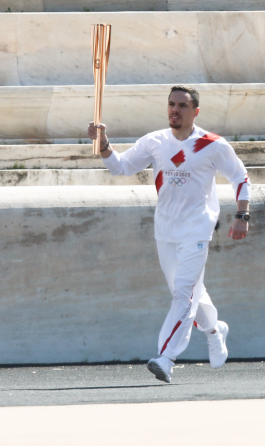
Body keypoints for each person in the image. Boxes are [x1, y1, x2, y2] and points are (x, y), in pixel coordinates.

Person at [87, 85, 250, 383]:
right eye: (171, 104)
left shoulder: (213, 144)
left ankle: (166, 357)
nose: (175, 110)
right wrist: (103, 144)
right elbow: (120, 167)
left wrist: (242, 215)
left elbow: (240, 177)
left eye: (182, 106)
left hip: (197, 229)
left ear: (195, 112)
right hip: (166, 230)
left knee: (184, 294)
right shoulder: (155, 142)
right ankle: (215, 330)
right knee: (186, 293)